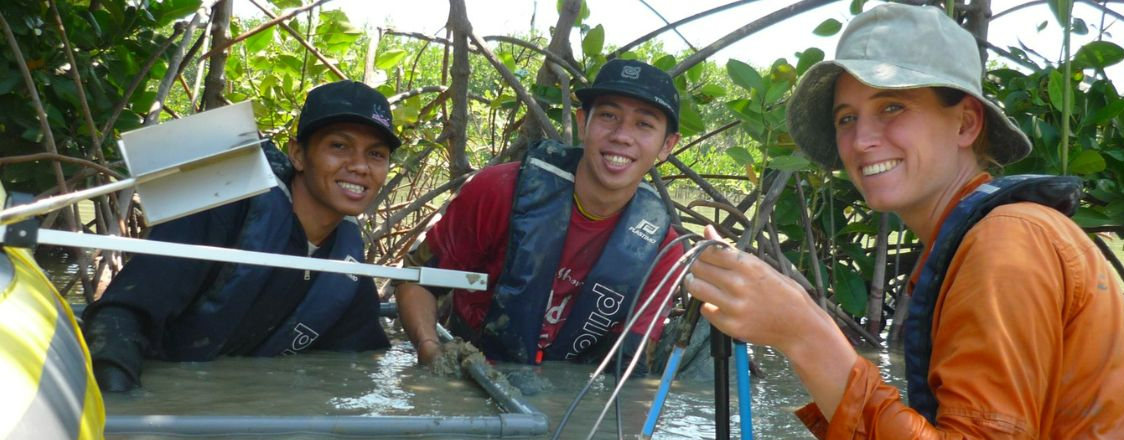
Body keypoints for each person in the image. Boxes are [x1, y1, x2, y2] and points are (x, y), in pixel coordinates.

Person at [685, 4, 1124, 440]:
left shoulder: (1006, 246)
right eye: (845, 117)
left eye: (893, 107)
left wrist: (804, 331)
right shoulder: (970, 244)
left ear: (966, 125)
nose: (862, 140)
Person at [83, 80, 397, 392]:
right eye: (339, 146)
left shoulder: (347, 265)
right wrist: (119, 402)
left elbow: (360, 363)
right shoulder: (225, 210)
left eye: (376, 154)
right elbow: (122, 314)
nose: (359, 166)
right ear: (298, 154)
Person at [395, 59, 685, 371]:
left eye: (644, 124)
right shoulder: (499, 191)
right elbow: (416, 279)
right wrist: (431, 350)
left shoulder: (663, 251)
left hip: (565, 379)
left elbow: (630, 368)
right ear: (583, 122)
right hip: (476, 362)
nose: (622, 136)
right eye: (609, 116)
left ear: (667, 145)